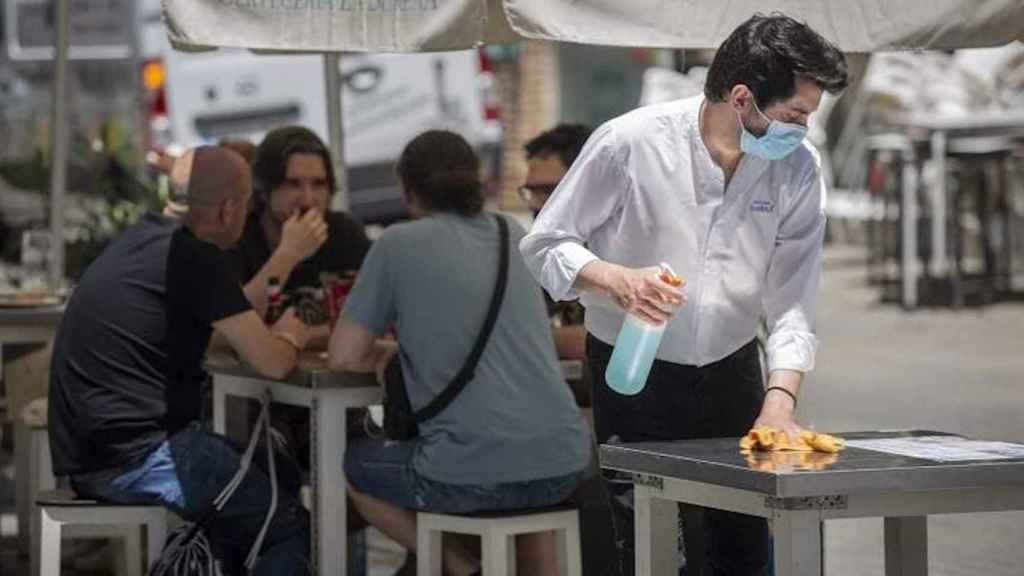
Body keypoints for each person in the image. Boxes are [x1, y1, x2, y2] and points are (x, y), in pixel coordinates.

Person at [520, 14, 848, 576]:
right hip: (632, 371)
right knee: (648, 541)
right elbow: (545, 244)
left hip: (734, 366)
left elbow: (792, 299)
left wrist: (780, 401)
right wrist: (616, 280)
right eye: (795, 115)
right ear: (742, 98)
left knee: (744, 540)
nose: (803, 130)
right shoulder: (629, 144)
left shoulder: (797, 167)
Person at [330, 130, 593, 576]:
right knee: (514, 489)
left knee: (354, 468)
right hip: (567, 461)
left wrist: (388, 352)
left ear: (408, 189)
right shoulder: (511, 232)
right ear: (475, 181)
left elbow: (343, 356)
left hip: (466, 471)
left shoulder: (396, 244)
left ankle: (460, 567)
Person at [49, 146, 313, 576]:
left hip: (92, 452)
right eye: (247, 204)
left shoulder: (144, 238)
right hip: (138, 457)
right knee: (284, 525)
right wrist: (293, 333)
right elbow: (272, 364)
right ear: (228, 209)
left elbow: (224, 330)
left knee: (274, 470)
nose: (248, 215)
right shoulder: (194, 256)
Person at [227, 125, 371, 318]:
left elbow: (370, 319)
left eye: (318, 184)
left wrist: (300, 335)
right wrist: (289, 254)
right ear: (265, 188)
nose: (307, 200)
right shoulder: (235, 236)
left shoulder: (344, 232)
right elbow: (231, 324)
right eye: (293, 184)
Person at [521, 123, 593, 364]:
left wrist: (528, 339)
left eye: (547, 191)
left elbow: (607, 338)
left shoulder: (620, 247)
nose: (534, 204)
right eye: (530, 191)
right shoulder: (537, 254)